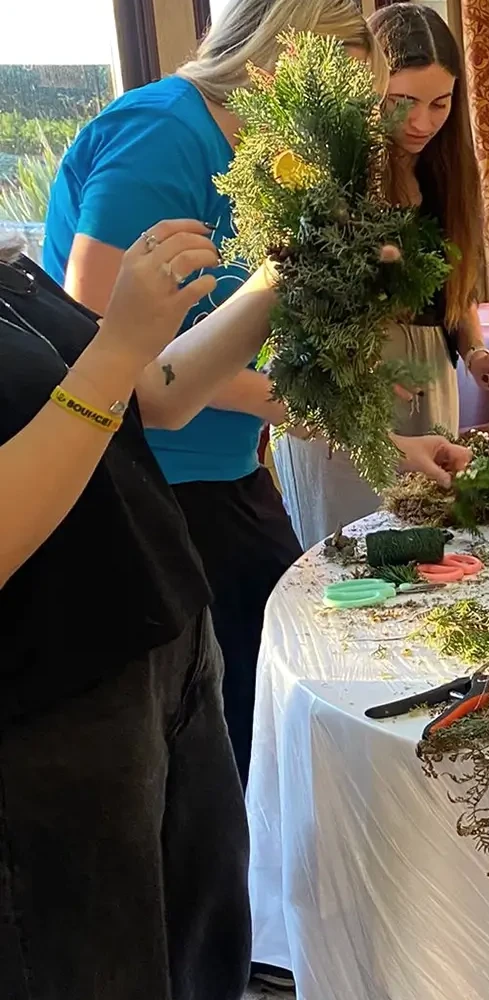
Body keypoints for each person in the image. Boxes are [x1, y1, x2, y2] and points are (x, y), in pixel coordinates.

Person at [0, 223, 469, 999]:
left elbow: (157, 396)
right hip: (49, 715)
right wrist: (117, 348)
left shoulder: (11, 274)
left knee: (207, 951)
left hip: (161, 651)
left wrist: (279, 278)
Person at [42, 0, 373, 791]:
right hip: (152, 488)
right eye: (338, 96)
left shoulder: (253, 155)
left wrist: (374, 434)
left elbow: (231, 351)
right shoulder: (164, 132)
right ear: (279, 61)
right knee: (237, 744)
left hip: (219, 475)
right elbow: (100, 348)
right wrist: (279, 396)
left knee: (279, 708)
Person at [274, 1, 489, 550]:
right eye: (403, 102)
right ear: (369, 89)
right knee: (351, 556)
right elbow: (295, 313)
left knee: (432, 552)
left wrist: (478, 356)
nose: (421, 122)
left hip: (431, 380)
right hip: (347, 389)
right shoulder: (336, 166)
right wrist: (363, 370)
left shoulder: (447, 170)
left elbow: (452, 295)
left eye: (440, 104)